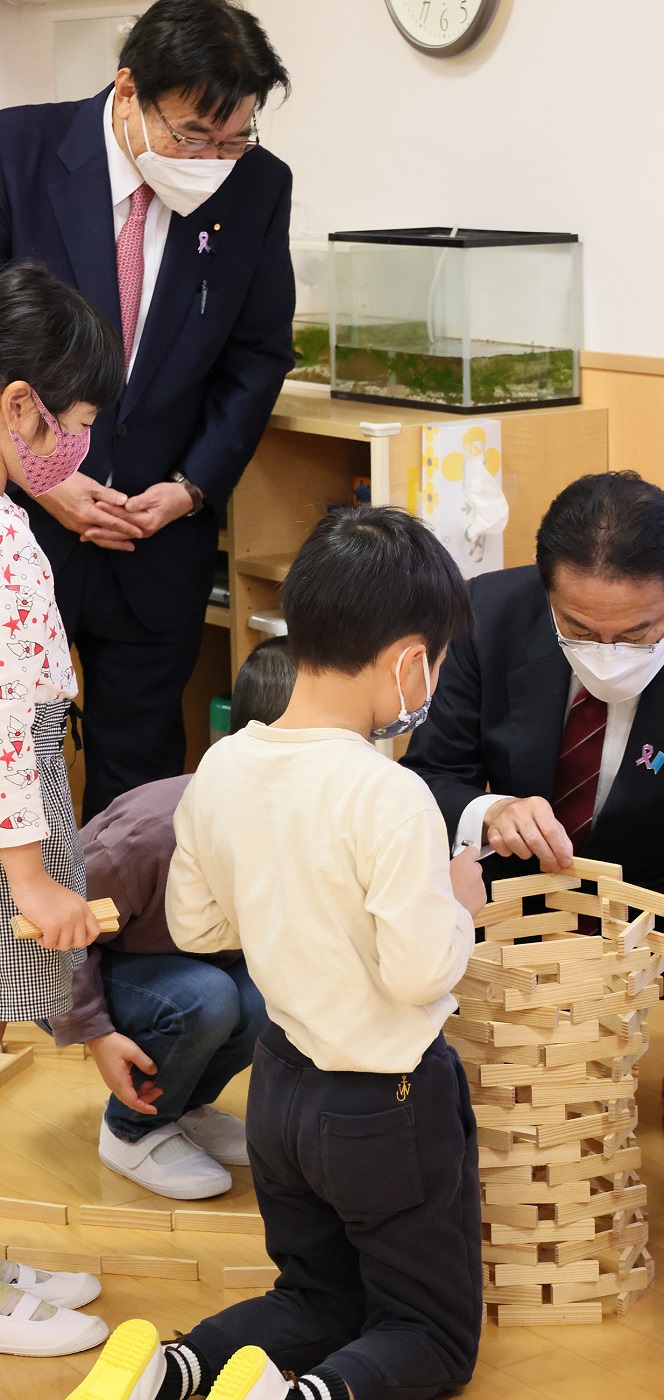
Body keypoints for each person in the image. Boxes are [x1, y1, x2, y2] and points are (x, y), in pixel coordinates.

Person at [68, 507, 486, 1400]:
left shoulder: (221, 764)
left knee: (314, 1296)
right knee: (429, 1334)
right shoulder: (392, 793)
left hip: (282, 1094)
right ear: (410, 659)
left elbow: (198, 927)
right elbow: (420, 971)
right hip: (385, 1104)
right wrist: (459, 904)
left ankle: (169, 1367)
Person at [402, 470, 664, 1162]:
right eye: (576, 628)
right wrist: (489, 810)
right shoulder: (484, 616)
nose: (606, 651)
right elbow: (428, 776)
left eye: (637, 633)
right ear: (545, 588)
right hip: (520, 882)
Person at [0, 0, 295, 822]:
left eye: (235, 138)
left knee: (143, 785)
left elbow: (258, 354)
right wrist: (44, 477)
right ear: (129, 89)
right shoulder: (16, 151)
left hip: (155, 535)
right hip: (21, 527)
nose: (213, 159)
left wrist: (192, 488)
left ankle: (130, 952)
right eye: (193, 137)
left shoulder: (259, 188)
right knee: (17, 767)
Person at [45, 638, 295, 1201]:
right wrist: (97, 1033)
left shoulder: (303, 825)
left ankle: (182, 1105)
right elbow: (53, 933)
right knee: (204, 997)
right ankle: (131, 1131)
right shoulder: (153, 831)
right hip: (67, 966)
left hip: (181, 963)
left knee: (263, 996)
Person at [0, 261, 125, 1356]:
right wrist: (30, 873)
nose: (77, 446)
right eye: (72, 422)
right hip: (9, 817)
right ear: (18, 406)